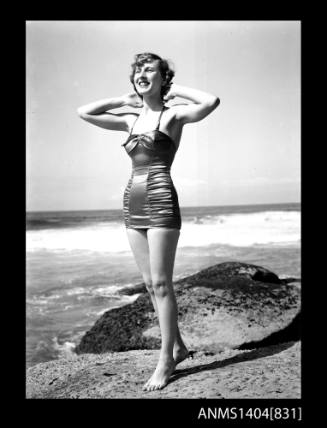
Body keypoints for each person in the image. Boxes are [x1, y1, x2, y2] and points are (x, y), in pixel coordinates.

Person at [77, 52, 220, 391]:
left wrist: (171, 88)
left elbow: (211, 101)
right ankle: (179, 346)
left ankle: (166, 360)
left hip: (161, 198)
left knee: (161, 283)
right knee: (149, 284)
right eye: (138, 70)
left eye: (149, 69)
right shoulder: (129, 119)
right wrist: (126, 98)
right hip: (132, 200)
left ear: (162, 77)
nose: (142, 73)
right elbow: (83, 111)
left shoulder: (173, 116)